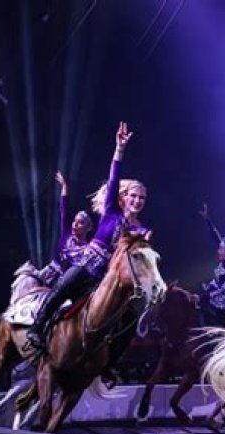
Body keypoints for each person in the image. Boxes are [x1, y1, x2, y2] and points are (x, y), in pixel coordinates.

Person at [25, 121, 149, 351]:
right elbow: (114, 177)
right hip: (85, 265)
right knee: (63, 286)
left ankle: (110, 359)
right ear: (124, 196)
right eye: (134, 195)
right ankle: (37, 327)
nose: (137, 200)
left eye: (142, 198)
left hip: (106, 278)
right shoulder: (112, 210)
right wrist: (119, 149)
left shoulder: (141, 230)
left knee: (128, 315)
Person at [37, 171, 93, 287]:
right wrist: (64, 186)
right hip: (47, 274)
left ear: (88, 228)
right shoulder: (67, 234)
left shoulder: (87, 249)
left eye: (81, 222)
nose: (75, 224)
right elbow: (64, 210)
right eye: (75, 221)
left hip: (63, 284)